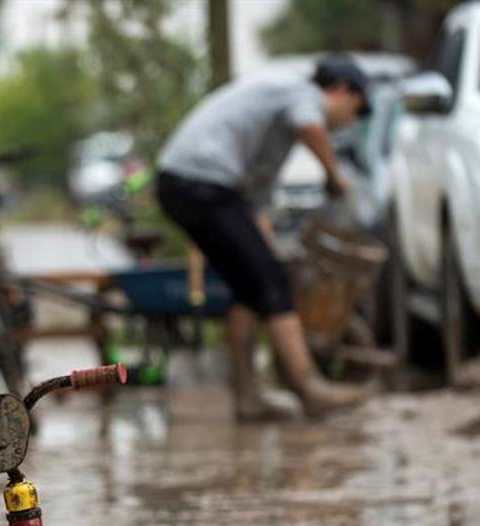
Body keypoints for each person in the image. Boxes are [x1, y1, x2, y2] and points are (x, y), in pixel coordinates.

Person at [156, 55, 372, 421]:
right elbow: (312, 126)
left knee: (251, 285)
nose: (350, 121)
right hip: (199, 182)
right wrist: (334, 176)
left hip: (188, 185)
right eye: (356, 109)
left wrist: (267, 254)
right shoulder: (299, 91)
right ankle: (309, 387)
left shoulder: (277, 129)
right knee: (269, 281)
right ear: (341, 91)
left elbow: (255, 203)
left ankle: (246, 397)